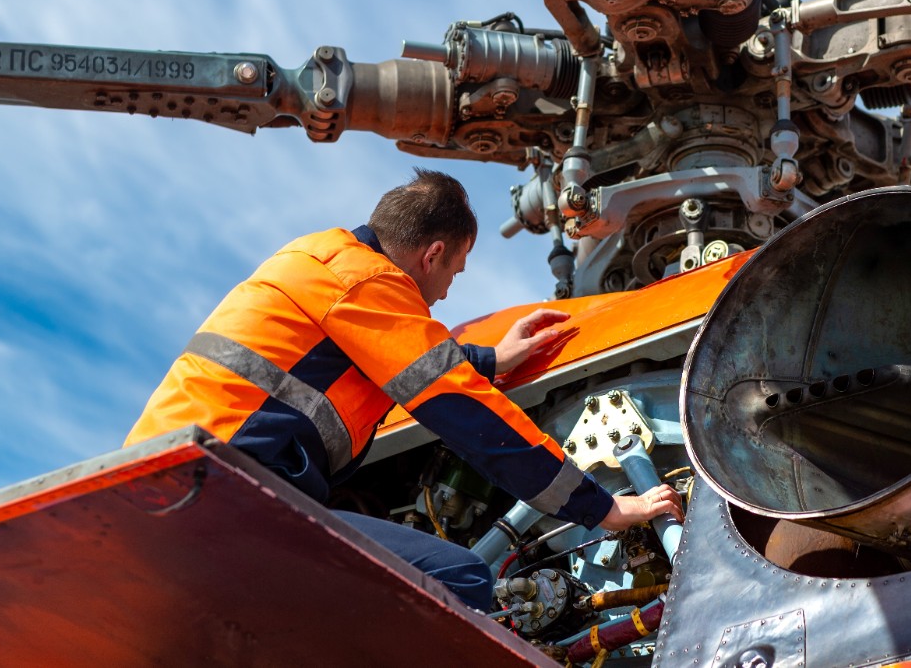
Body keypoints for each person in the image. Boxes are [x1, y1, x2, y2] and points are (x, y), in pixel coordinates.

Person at [125, 168, 683, 611]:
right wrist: (601, 508)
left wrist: (493, 357)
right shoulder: (369, 281)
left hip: (168, 481)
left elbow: (384, 357)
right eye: (456, 272)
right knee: (459, 578)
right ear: (433, 253)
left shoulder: (323, 261)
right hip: (229, 490)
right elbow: (468, 415)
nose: (443, 294)